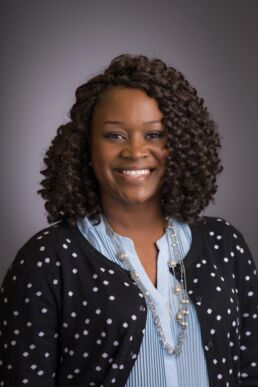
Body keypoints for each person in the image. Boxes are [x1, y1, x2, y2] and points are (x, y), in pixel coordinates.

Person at [0, 54, 257, 387]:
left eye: (153, 135)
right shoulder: (47, 261)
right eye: (115, 136)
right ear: (86, 148)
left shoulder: (225, 246)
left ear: (179, 144)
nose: (135, 151)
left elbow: (251, 370)